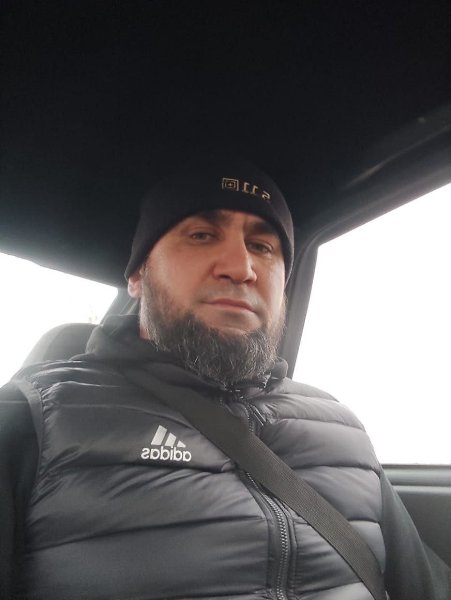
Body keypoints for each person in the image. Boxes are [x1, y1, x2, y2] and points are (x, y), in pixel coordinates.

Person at [0, 157, 449, 600]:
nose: (241, 267)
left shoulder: (343, 430)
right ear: (138, 275)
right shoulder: (34, 417)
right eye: (201, 235)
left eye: (263, 247)